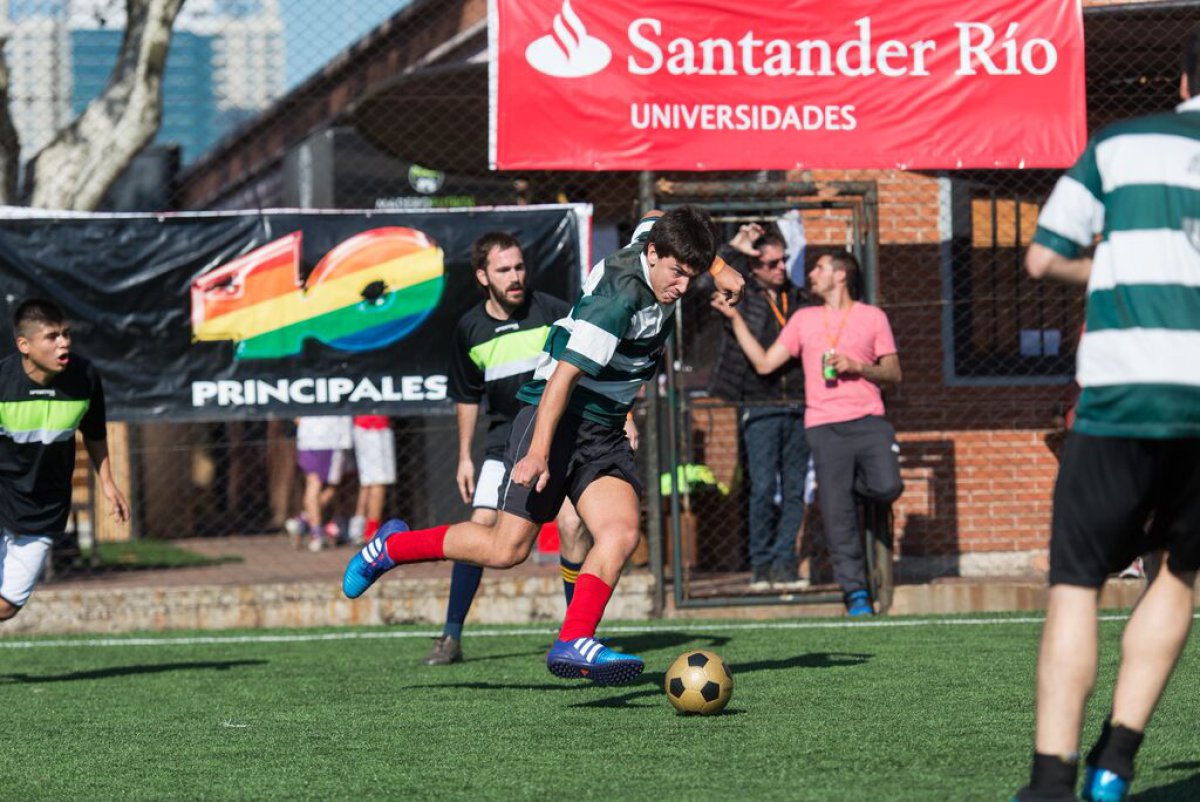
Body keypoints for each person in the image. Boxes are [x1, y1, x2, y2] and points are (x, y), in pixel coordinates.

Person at [343, 205, 743, 684]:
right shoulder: (617, 301)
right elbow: (562, 379)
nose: (681, 286)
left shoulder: (655, 244)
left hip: (604, 430)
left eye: (691, 276)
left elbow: (659, 213)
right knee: (504, 549)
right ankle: (390, 548)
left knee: (619, 532)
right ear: (652, 254)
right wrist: (537, 451)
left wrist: (719, 268)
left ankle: (573, 640)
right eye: (677, 273)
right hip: (556, 418)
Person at [1011, 32, 1200, 802]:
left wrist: (1111, 267)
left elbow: (1041, 258)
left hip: (1122, 389)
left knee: (1077, 585)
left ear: (1185, 75)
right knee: (1182, 577)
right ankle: (1116, 762)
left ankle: (1052, 782)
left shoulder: (1120, 144)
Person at [422, 231, 603, 667]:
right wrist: (465, 455)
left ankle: (576, 635)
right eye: (504, 270)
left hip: (559, 436)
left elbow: (592, 368)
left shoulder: (554, 312)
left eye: (519, 266)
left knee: (573, 525)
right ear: (483, 276)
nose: (515, 276)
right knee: (481, 527)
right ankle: (451, 635)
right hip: (504, 440)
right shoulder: (470, 328)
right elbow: (467, 397)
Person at [712, 250, 902, 616]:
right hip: (823, 424)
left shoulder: (872, 316)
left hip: (869, 419)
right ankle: (856, 593)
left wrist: (858, 367)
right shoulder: (804, 318)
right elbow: (765, 362)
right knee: (836, 511)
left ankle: (852, 488)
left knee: (886, 486)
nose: (810, 274)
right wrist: (735, 319)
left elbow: (893, 373)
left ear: (841, 275)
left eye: (819, 268)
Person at [0, 299, 130, 621]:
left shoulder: (84, 376)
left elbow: (95, 432)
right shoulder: (2, 382)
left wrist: (108, 483)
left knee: (7, 605)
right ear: (24, 345)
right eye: (52, 337)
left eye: (66, 334)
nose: (64, 343)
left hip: (45, 506)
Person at [708, 222, 812, 591]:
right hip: (759, 401)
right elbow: (711, 275)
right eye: (770, 263)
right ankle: (762, 565)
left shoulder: (799, 299)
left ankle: (786, 563)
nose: (779, 268)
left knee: (795, 487)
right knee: (764, 486)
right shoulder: (742, 296)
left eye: (783, 261)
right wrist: (738, 248)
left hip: (800, 403)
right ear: (754, 267)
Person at [286, 415, 353, 552]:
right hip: (330, 437)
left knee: (313, 484)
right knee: (333, 485)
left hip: (308, 436)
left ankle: (305, 522)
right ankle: (314, 532)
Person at [348, 415, 394, 545]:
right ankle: (371, 532)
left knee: (368, 482)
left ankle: (358, 528)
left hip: (366, 427)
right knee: (378, 482)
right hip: (373, 427)